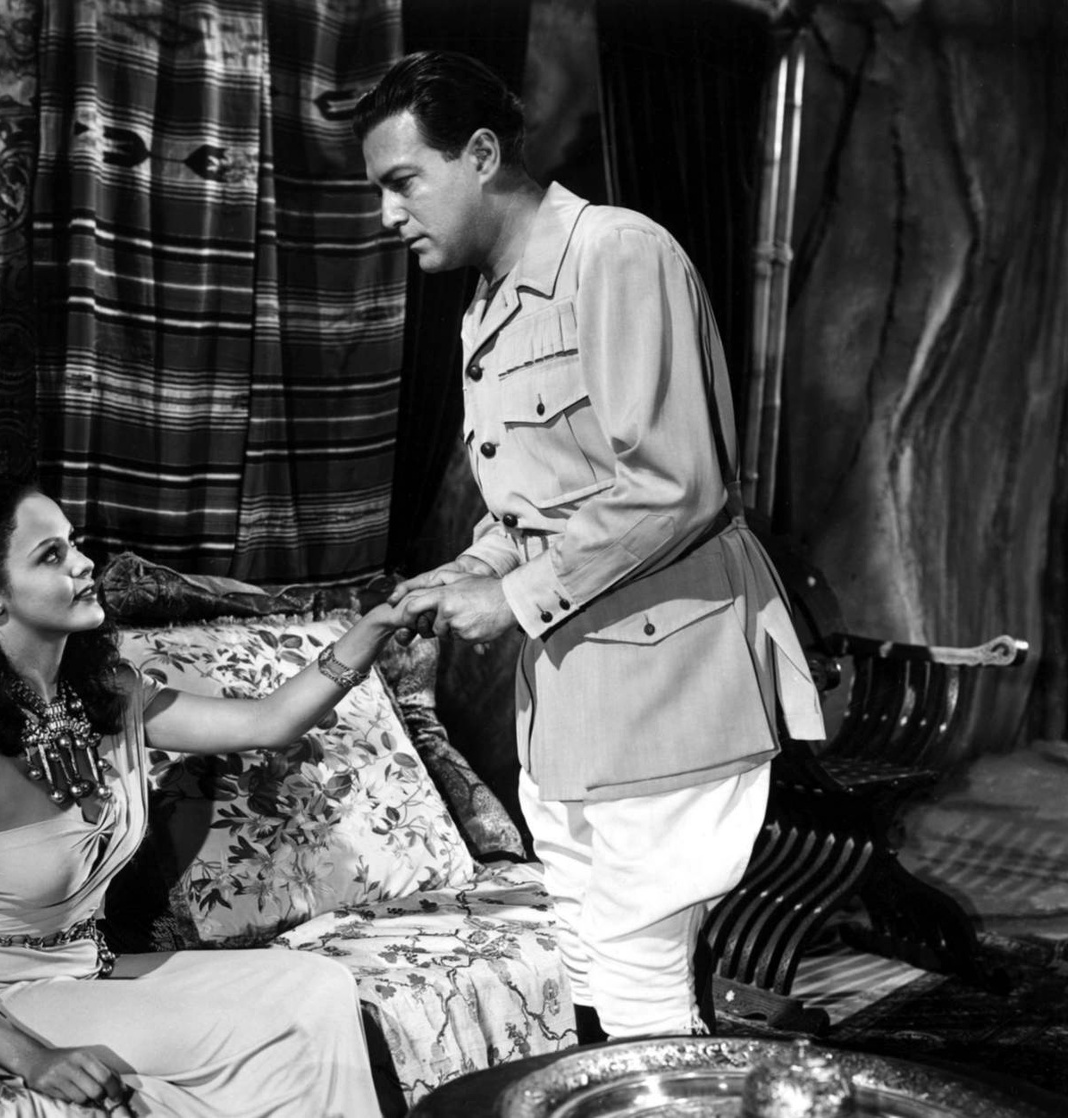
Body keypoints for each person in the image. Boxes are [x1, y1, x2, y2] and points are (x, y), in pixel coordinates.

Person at [353, 51, 825, 1043]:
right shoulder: (488, 304)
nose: (389, 214)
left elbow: (674, 484)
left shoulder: (617, 255)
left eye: (404, 182)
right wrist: (478, 563)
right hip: (569, 693)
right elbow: (545, 499)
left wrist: (515, 597)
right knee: (587, 958)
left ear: (482, 155)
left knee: (642, 976)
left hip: (668, 677)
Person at [0, 475, 411, 1117]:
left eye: (74, 544)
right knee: (262, 1029)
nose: (83, 564)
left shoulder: (110, 696)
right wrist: (29, 1057)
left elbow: (269, 722)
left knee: (319, 985)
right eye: (51, 556)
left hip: (90, 971)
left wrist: (376, 627)